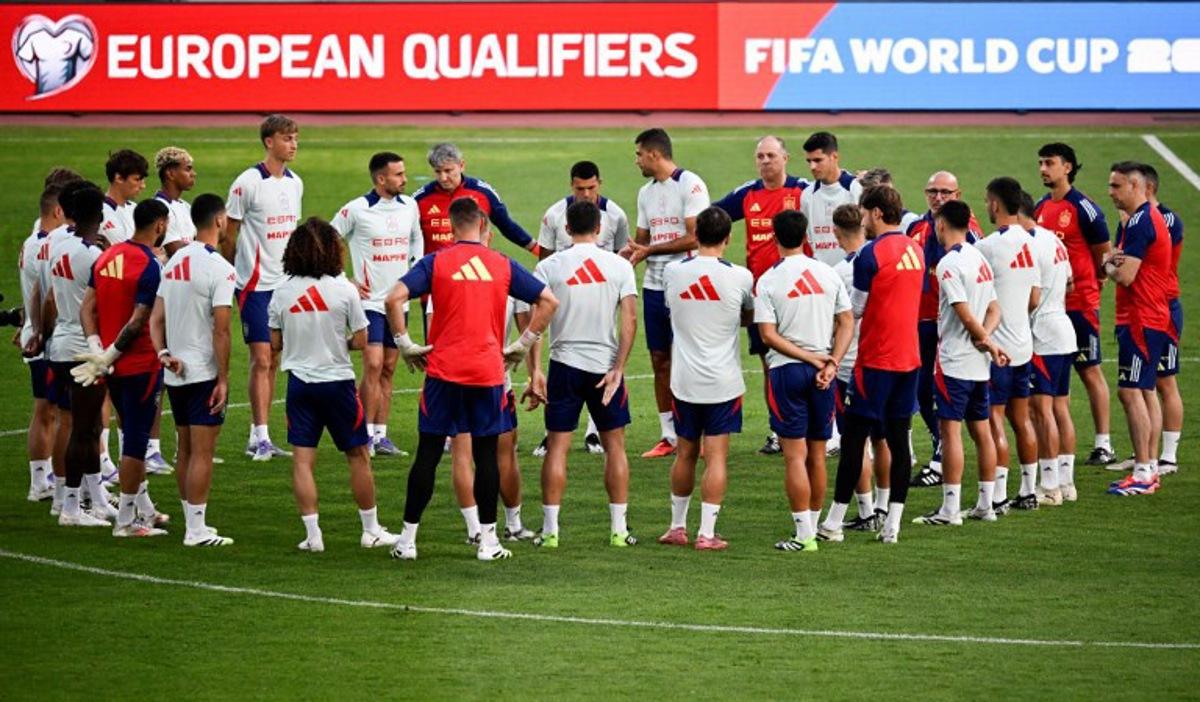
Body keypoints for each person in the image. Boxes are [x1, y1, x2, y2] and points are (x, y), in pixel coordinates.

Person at [385, 197, 558, 562]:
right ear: (483, 224)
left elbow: (393, 298)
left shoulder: (435, 262)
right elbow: (549, 302)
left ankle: (407, 541)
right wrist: (522, 345)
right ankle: (488, 542)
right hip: (486, 373)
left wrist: (405, 345)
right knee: (486, 455)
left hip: (443, 372)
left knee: (428, 456)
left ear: (450, 225)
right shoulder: (502, 264)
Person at [263, 218, 400, 551]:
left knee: (302, 460)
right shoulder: (344, 290)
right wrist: (337, 340)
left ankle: (313, 536)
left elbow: (275, 343)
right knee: (357, 455)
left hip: (299, 386)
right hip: (337, 384)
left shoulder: (282, 292)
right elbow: (362, 340)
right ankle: (371, 530)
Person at [524, 199, 638, 549]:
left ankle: (550, 532)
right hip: (605, 368)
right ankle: (619, 531)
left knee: (558, 447)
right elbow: (630, 320)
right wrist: (619, 368)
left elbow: (535, 325)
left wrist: (535, 371)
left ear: (567, 230)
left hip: (564, 365)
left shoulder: (549, 267)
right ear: (600, 230)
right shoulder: (619, 266)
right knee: (614, 448)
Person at [818, 185, 923, 544]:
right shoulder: (916, 249)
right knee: (897, 440)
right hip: (909, 359)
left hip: (875, 361)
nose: (862, 219)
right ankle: (892, 524)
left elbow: (855, 310)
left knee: (853, 442)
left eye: (865, 212)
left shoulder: (869, 255)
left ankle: (833, 523)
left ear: (876, 213)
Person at [654, 207, 754, 550]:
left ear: (695, 236)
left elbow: (670, 310)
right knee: (717, 457)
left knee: (685, 453)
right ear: (728, 238)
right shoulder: (741, 276)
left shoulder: (672, 271)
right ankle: (707, 533)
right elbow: (748, 315)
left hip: (684, 381)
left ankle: (676, 527)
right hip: (723, 381)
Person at [755, 209, 853, 551]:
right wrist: (831, 362)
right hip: (823, 372)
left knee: (794, 457)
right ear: (806, 236)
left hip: (787, 371)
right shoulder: (827, 273)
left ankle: (802, 534)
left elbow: (767, 335)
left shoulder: (768, 280)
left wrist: (807, 357)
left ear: (774, 237)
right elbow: (847, 322)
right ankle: (812, 527)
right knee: (817, 453)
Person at [73, 199, 172, 537]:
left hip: (111, 369)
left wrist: (96, 351)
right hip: (140, 364)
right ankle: (127, 522)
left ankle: (143, 508)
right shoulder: (149, 265)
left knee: (129, 432)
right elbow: (138, 321)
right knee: (136, 443)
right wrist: (111, 354)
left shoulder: (106, 256)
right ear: (159, 225)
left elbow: (87, 309)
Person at [913, 200, 1008, 526]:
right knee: (982, 430)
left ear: (940, 225)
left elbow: (963, 312)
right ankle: (986, 505)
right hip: (979, 361)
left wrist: (985, 340)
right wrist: (988, 340)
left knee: (950, 433)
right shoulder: (978, 256)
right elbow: (994, 308)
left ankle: (950, 510)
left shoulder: (949, 264)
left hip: (954, 360)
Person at [713, 135, 809, 456]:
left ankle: (819, 427)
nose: (765, 161)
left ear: (786, 158)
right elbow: (711, 217)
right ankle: (778, 430)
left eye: (771, 155)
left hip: (799, 294)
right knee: (771, 364)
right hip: (761, 296)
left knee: (808, 357)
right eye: (760, 156)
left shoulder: (803, 191)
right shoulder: (748, 194)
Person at [150, 194, 235, 546]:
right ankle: (196, 531)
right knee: (201, 452)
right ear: (219, 221)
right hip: (201, 371)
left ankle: (191, 522)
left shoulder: (173, 261)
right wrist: (224, 377)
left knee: (184, 448)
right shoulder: (221, 268)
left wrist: (163, 352)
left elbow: (156, 318)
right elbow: (222, 329)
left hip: (176, 370)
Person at [533, 160, 631, 457]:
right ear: (571, 185)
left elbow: (621, 255)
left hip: (601, 292)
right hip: (564, 295)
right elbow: (544, 258)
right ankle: (551, 434)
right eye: (580, 188)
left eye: (591, 187)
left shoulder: (616, 215)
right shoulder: (553, 215)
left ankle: (593, 431)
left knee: (600, 351)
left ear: (599, 183)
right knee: (560, 351)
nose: (586, 193)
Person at [623, 127, 710, 458]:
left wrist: (649, 251)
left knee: (690, 357)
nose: (637, 161)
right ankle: (669, 435)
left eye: (639, 154)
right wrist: (628, 256)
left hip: (686, 284)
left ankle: (696, 433)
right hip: (654, 285)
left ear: (654, 154)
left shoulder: (691, 184)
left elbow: (696, 237)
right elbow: (641, 241)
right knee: (659, 358)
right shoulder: (646, 192)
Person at [331, 151, 423, 457]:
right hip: (368, 302)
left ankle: (381, 436)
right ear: (381, 179)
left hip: (398, 303)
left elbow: (416, 240)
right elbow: (328, 240)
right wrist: (344, 279)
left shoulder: (410, 206)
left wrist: (416, 273)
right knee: (372, 364)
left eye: (404, 173)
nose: (404, 179)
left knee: (388, 367)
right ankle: (364, 433)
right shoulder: (356, 210)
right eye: (398, 174)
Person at [223, 114, 303, 462]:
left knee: (276, 357)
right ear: (269, 142)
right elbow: (229, 233)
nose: (294, 144)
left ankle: (264, 436)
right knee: (260, 357)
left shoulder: (295, 182)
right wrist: (230, 273)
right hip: (256, 286)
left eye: (296, 138)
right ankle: (259, 436)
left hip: (286, 285)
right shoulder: (247, 183)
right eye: (287, 138)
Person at [1034, 142, 1115, 466]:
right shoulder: (1040, 208)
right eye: (1040, 163)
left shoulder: (1084, 208)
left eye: (1049, 163)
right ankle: (1057, 451)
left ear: (1067, 167)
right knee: (1053, 385)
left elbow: (1104, 257)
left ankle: (1104, 443)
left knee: (1089, 370)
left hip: (1080, 306)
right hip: (1050, 310)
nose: (1043, 169)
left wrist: (1093, 285)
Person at [41, 182, 116, 526]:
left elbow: (50, 298)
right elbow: (108, 302)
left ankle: (95, 499)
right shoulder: (93, 256)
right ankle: (72, 507)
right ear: (98, 216)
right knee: (85, 430)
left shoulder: (59, 246)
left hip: (60, 343)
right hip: (85, 350)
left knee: (82, 425)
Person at [906, 171, 983, 487]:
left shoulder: (970, 233)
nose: (938, 197)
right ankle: (941, 446)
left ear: (958, 194)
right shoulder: (915, 228)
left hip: (949, 325)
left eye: (946, 192)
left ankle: (943, 461)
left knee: (950, 396)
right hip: (919, 321)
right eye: (933, 191)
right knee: (923, 391)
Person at [1104, 162, 1173, 496]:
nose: (1111, 192)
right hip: (1151, 316)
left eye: (1116, 186)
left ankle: (1144, 471)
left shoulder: (1143, 222)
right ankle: (1149, 467)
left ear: (1135, 186)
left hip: (1140, 318)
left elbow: (1125, 274)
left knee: (1130, 391)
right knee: (1144, 391)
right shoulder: (1143, 219)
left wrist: (1107, 263)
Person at [976, 177, 1040, 513]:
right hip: (1024, 345)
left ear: (996, 204)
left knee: (995, 420)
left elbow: (981, 300)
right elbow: (1034, 297)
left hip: (997, 350)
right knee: (1022, 419)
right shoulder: (1032, 242)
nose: (987, 206)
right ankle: (1029, 491)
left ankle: (998, 496)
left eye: (988, 201)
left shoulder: (987, 247)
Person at [830, 204, 892, 531]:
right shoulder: (882, 260)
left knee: (856, 443)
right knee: (882, 438)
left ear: (837, 233)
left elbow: (840, 322)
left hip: (851, 368)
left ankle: (866, 512)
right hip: (885, 361)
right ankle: (883, 506)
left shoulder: (838, 273)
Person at [1020, 192, 1078, 507]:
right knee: (1060, 408)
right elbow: (1070, 282)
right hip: (1063, 331)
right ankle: (1066, 482)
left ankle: (1050, 486)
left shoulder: (1028, 244)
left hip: (1041, 335)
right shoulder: (1053, 240)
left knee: (1040, 412)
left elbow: (1031, 298)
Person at [18, 183, 65, 502]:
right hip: (44, 340)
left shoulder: (33, 242)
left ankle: (43, 478)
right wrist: (39, 332)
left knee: (48, 411)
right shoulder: (45, 246)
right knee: (49, 412)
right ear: (58, 211)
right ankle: (41, 482)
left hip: (36, 333)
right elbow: (45, 295)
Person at [413, 142, 538, 259]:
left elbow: (506, 225)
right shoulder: (420, 199)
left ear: (461, 166)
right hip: (435, 273)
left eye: (448, 171)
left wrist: (537, 250)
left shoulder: (483, 192)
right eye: (438, 172)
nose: (443, 178)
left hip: (476, 270)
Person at [1140, 165, 1184, 474]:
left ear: (1148, 187)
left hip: (1163, 308)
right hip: (1144, 309)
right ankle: (1147, 453)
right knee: (1144, 384)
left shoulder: (1165, 220)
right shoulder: (1135, 220)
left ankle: (1168, 456)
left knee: (1164, 381)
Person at [799, 131, 862, 267]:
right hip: (822, 277)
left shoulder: (855, 189)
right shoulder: (807, 195)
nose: (812, 167)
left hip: (853, 273)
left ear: (834, 157)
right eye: (809, 161)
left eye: (818, 160)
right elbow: (809, 238)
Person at [155, 146, 197, 256]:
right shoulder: (158, 208)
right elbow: (176, 252)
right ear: (170, 174)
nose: (193, 174)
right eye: (188, 169)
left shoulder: (186, 206)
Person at [101, 149, 147, 246]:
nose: (143, 186)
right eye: (137, 179)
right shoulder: (101, 213)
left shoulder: (135, 208)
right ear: (119, 178)